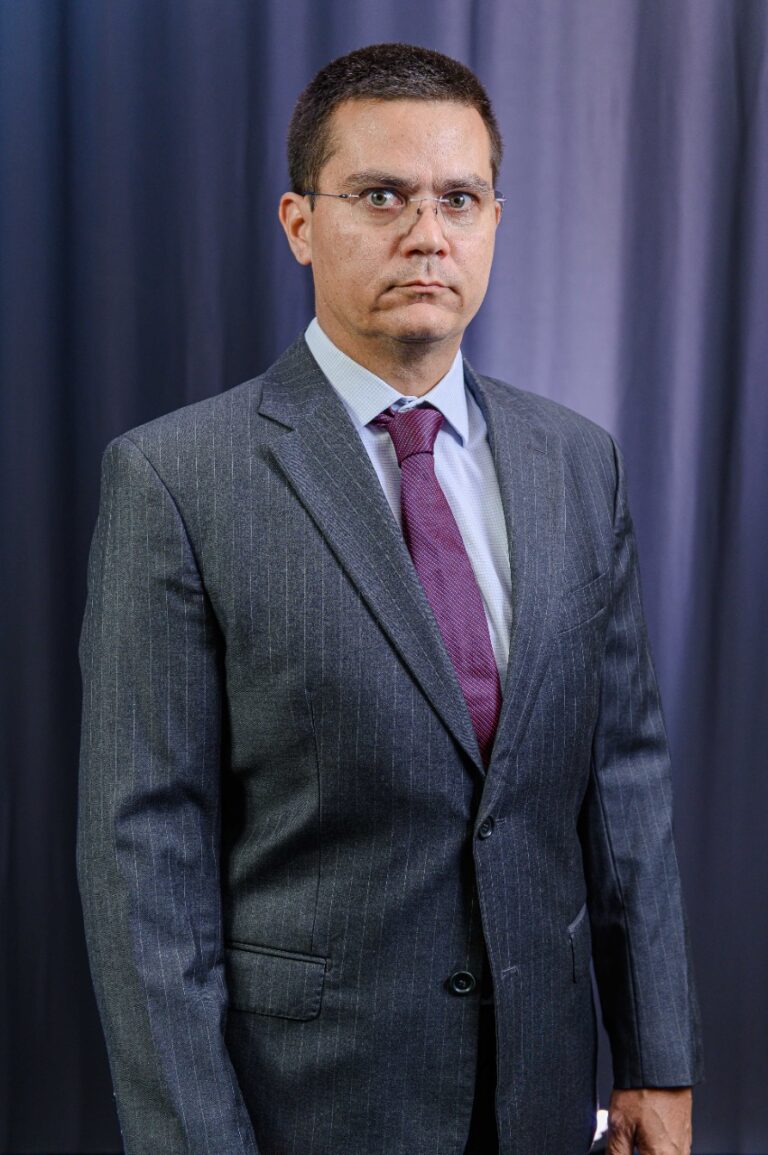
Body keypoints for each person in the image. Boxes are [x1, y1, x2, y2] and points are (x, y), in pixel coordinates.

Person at [76, 42, 703, 1155]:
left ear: (495, 221)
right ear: (299, 222)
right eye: (381, 195)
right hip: (307, 1106)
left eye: (459, 199)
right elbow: (144, 863)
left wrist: (656, 1055)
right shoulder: (176, 479)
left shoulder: (577, 461)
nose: (426, 233)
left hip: (543, 1096)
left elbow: (624, 780)